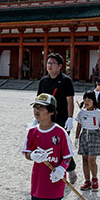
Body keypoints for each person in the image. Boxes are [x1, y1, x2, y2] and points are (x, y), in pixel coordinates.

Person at [22, 94, 74, 200]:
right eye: (35, 107)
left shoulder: (60, 132)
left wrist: (61, 169)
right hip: (38, 179)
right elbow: (26, 152)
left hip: (54, 180)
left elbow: (67, 156)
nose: (37, 111)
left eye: (41, 108)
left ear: (51, 111)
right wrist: (32, 156)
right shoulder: (32, 131)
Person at [37, 53, 77, 183]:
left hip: (62, 118)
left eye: (53, 63)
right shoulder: (43, 81)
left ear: (60, 66)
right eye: (48, 63)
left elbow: (70, 100)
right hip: (46, 118)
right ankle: (52, 171)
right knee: (48, 145)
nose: (49, 65)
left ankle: (69, 169)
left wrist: (70, 117)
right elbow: (39, 100)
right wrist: (37, 117)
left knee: (61, 146)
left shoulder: (66, 81)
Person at [74, 91, 100, 191]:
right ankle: (87, 181)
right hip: (84, 135)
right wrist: (76, 138)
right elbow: (79, 125)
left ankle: (94, 179)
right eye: (85, 100)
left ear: (93, 101)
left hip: (95, 135)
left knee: (92, 160)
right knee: (84, 159)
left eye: (89, 100)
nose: (87, 102)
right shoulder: (82, 112)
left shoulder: (98, 112)